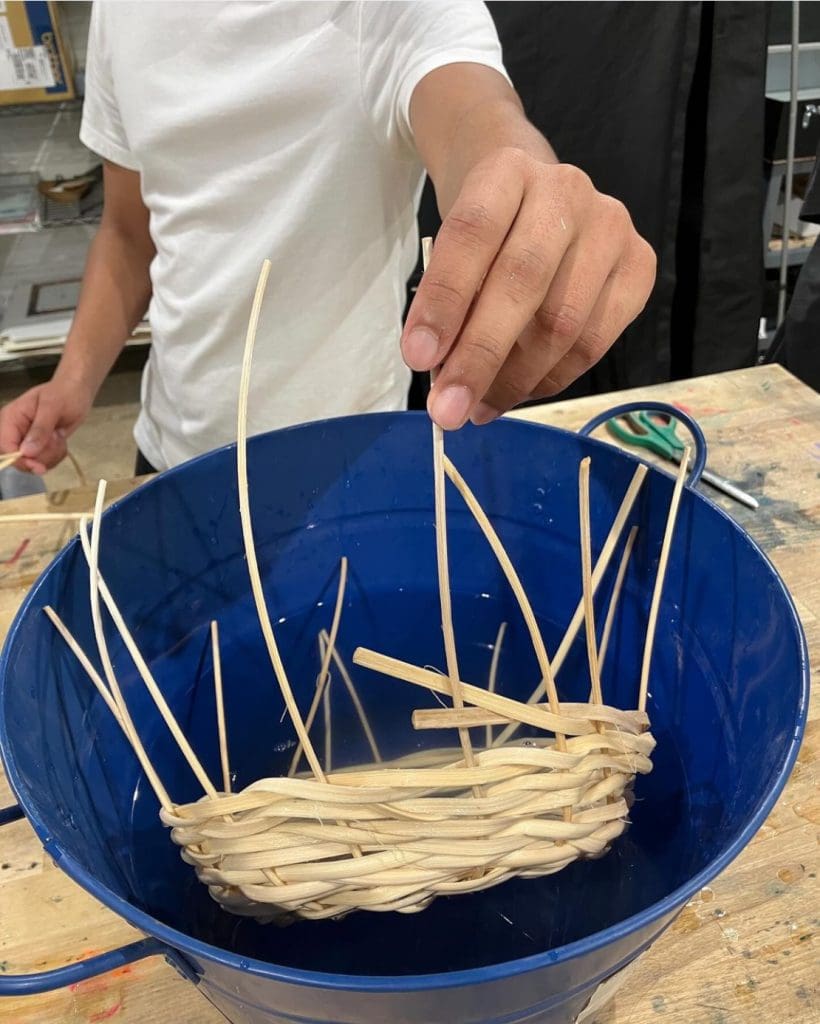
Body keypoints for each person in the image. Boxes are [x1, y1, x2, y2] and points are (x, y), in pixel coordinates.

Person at [0, 1, 655, 475]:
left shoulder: (388, 10)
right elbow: (127, 234)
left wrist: (522, 183)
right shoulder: (123, 11)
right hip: (171, 449)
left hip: (345, 460)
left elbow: (474, 115)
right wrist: (73, 382)